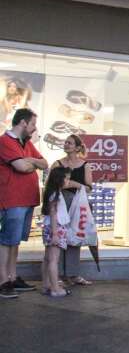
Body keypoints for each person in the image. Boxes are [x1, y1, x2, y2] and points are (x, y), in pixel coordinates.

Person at [0, 108, 48, 298]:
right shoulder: (4, 142)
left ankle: (12, 277)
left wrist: (30, 160)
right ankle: (3, 280)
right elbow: (20, 167)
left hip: (27, 200)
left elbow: (44, 163)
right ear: (23, 123)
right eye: (33, 124)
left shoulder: (27, 143)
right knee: (6, 240)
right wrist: (29, 162)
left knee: (15, 241)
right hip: (12, 200)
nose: (35, 128)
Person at [51, 134, 94, 286]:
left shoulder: (85, 165)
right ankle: (59, 275)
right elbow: (50, 185)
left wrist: (75, 184)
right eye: (66, 142)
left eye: (70, 143)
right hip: (60, 203)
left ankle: (73, 274)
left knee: (75, 238)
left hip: (78, 205)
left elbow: (89, 188)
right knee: (60, 237)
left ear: (77, 147)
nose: (66, 145)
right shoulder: (57, 164)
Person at [41, 167, 73, 297]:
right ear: (59, 179)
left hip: (50, 227)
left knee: (47, 258)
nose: (68, 181)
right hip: (56, 228)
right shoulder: (56, 194)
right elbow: (54, 214)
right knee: (54, 259)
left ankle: (46, 285)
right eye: (66, 178)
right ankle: (55, 288)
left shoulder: (51, 192)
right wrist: (55, 234)